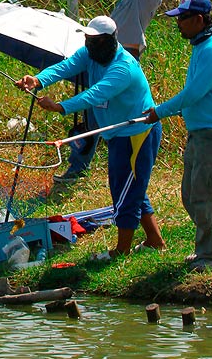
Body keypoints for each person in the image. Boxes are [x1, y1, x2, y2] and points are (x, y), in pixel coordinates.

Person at [16, 15, 166, 257]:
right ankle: (154, 240)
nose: (89, 46)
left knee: (125, 190)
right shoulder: (90, 53)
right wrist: (38, 79)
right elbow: (66, 66)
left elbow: (95, 95)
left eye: (95, 42)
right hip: (116, 133)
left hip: (137, 134)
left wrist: (61, 106)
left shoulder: (123, 67)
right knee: (131, 187)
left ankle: (122, 251)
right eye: (87, 41)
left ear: (111, 41)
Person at [56, 0, 166, 183]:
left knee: (105, 112)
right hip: (103, 55)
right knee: (93, 114)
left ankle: (118, 163)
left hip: (122, 59)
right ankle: (79, 165)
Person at [143, 0, 212, 272]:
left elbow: (193, 94)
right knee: (190, 195)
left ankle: (210, 257)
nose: (179, 25)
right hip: (200, 133)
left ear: (199, 19)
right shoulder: (201, 47)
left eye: (183, 19)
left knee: (204, 196)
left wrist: (158, 112)